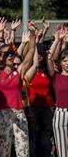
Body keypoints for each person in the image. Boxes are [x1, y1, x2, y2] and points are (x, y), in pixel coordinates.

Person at [0, 20, 35, 157]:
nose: (9, 55)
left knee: (23, 152)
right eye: (6, 53)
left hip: (18, 113)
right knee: (3, 153)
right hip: (0, 113)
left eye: (11, 53)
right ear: (0, 57)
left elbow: (31, 51)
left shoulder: (19, 71)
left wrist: (32, 33)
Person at [49, 28, 68, 157]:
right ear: (60, 62)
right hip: (61, 113)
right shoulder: (56, 76)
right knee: (62, 151)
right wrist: (57, 40)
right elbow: (50, 59)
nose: (67, 63)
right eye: (65, 60)